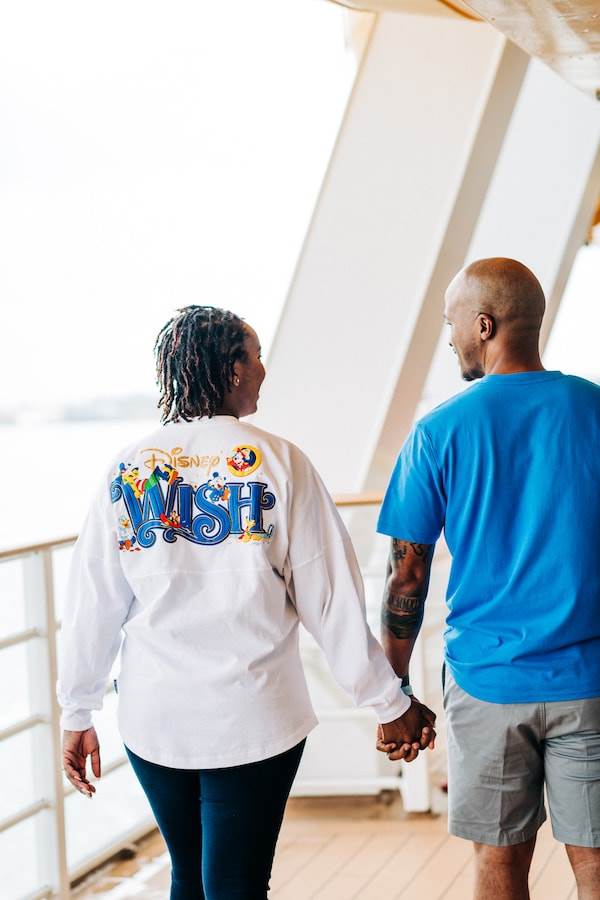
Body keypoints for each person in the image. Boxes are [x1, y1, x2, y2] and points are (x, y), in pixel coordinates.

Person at [57, 305, 434, 900]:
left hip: (156, 719)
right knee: (236, 884)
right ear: (232, 369)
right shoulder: (280, 463)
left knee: (188, 875)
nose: (263, 370)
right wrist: (388, 702)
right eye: (256, 357)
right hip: (254, 716)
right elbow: (330, 601)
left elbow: (93, 603)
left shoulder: (128, 468)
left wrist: (77, 711)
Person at [375, 258, 600, 900]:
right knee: (597, 864)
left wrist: (394, 694)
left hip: (487, 682)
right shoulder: (594, 409)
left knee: (498, 862)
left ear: (483, 324)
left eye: (451, 323)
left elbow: (407, 577)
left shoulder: (438, 431)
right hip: (590, 679)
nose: (449, 339)